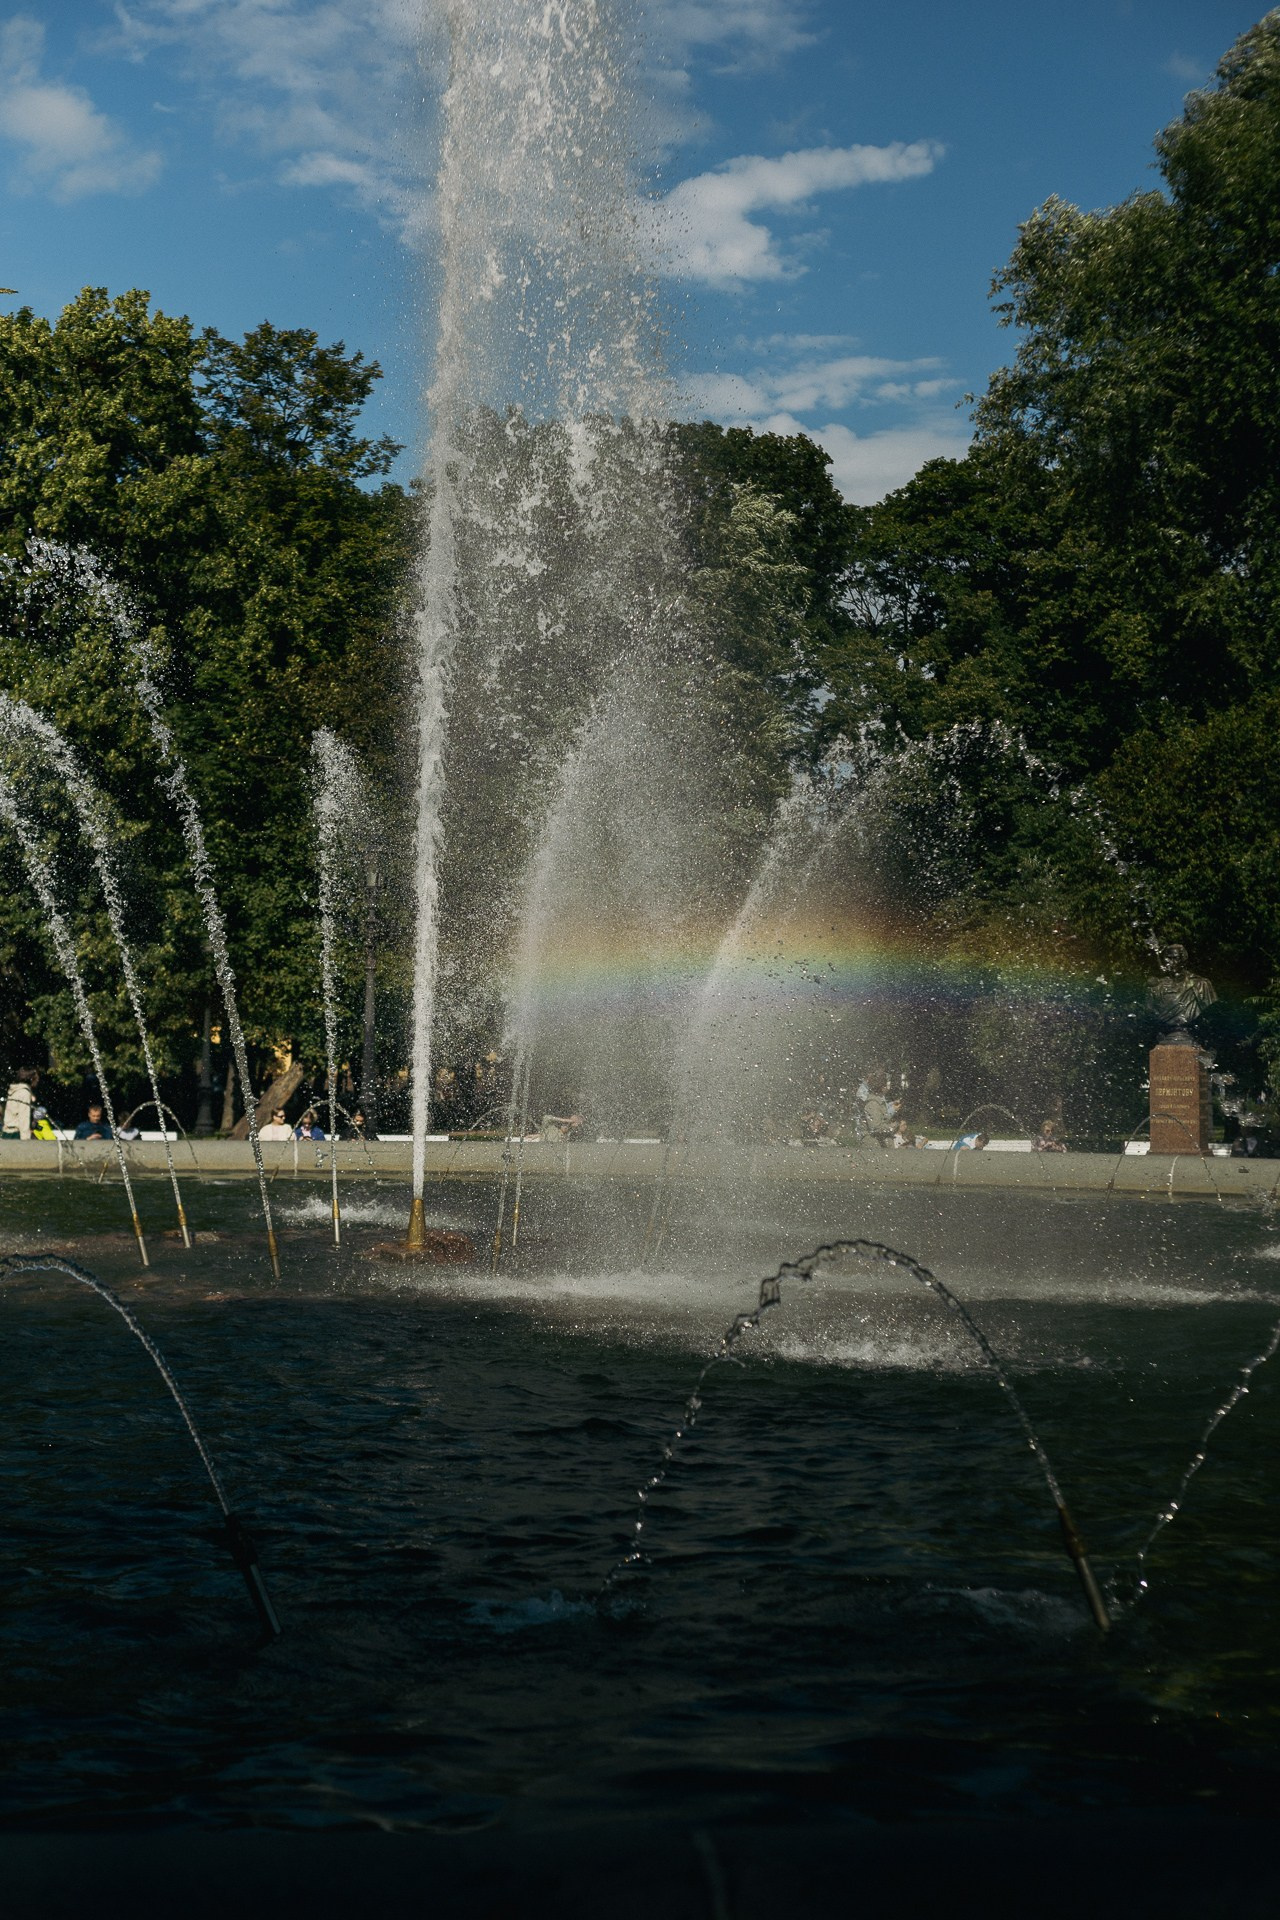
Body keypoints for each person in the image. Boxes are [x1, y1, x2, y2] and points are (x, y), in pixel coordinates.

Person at [2, 1068, 39, 1139]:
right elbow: (24, 1117)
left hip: (7, 1132)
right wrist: (25, 1140)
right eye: (36, 1078)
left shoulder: (15, 1090)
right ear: (31, 1078)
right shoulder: (24, 1093)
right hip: (17, 1134)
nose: (37, 1080)